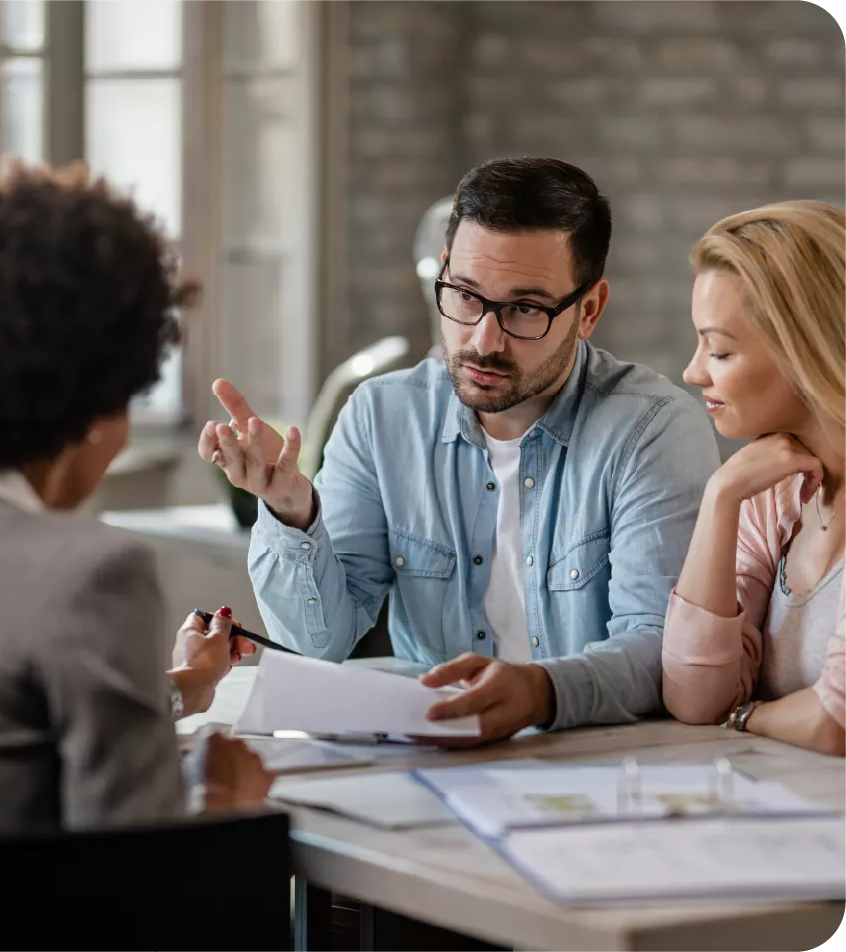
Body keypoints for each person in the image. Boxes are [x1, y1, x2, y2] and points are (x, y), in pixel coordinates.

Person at [199, 157, 720, 743]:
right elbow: (316, 643)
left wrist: (538, 693)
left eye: (526, 309)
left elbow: (661, 649)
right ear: (443, 274)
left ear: (590, 310)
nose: (483, 340)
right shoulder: (382, 417)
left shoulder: (652, 429)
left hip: (598, 761)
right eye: (466, 296)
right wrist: (292, 508)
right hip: (437, 756)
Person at [0, 162, 272, 833]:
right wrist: (226, 810)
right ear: (96, 401)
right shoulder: (89, 572)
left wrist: (188, 684)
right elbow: (136, 883)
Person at [663, 200, 846, 757]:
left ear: (803, 350)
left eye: (719, 349)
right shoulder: (774, 496)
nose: (694, 372)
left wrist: (743, 716)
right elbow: (695, 697)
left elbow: (831, 722)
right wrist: (721, 498)